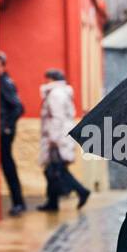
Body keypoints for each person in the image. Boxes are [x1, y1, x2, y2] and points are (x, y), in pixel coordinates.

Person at [37, 68, 91, 212]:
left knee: (57, 171)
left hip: (57, 139)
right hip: (59, 138)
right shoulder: (59, 93)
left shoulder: (56, 94)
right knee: (52, 171)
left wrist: (53, 139)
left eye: (47, 78)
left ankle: (81, 191)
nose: (45, 81)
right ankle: (52, 202)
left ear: (52, 79)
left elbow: (57, 117)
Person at [0, 52, 26, 216]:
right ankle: (18, 202)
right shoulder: (0, 81)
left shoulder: (4, 82)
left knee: (8, 166)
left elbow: (18, 107)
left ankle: (18, 202)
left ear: (2, 65)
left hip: (4, 132)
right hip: (2, 130)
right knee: (7, 166)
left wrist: (7, 126)